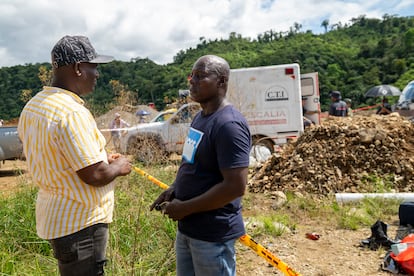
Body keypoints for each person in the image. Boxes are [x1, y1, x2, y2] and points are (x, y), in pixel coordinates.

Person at [17, 35, 132, 276]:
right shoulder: (71, 113)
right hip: (81, 224)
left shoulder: (34, 106)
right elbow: (95, 175)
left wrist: (99, 156)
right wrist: (119, 165)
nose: (97, 75)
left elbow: (56, 156)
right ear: (78, 68)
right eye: (94, 67)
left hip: (58, 219)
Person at [150, 55, 251, 276]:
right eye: (191, 76)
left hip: (212, 236)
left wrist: (185, 207)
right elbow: (190, 162)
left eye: (200, 76)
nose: (192, 81)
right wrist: (174, 189)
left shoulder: (228, 125)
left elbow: (235, 187)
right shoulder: (200, 118)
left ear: (221, 81)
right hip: (188, 229)